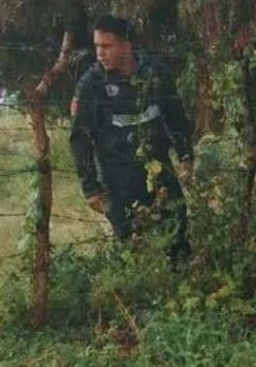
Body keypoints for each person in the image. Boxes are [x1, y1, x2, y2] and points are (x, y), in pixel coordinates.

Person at [70, 15, 194, 261]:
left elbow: (175, 116)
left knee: (176, 238)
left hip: (160, 172)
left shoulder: (155, 74)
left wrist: (186, 155)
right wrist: (90, 188)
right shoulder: (92, 84)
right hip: (117, 180)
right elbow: (80, 138)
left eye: (107, 46)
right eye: (97, 47)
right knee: (133, 251)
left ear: (126, 45)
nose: (100, 54)